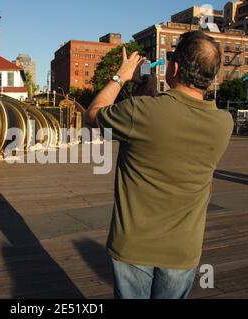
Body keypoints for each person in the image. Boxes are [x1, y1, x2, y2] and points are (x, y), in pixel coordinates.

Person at [85, 31, 234, 299]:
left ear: (175, 68)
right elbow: (172, 122)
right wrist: (150, 96)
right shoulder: (224, 123)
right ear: (211, 77)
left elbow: (93, 115)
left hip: (133, 246)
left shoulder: (139, 111)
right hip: (182, 249)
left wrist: (122, 75)